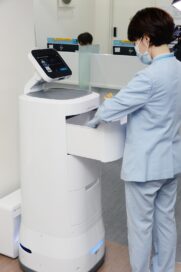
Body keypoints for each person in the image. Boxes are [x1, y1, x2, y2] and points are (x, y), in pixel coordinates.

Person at [88, 7, 181, 272]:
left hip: (145, 167)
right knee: (166, 221)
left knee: (140, 228)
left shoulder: (148, 77)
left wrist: (93, 117)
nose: (136, 48)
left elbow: (110, 109)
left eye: (136, 42)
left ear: (146, 39)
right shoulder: (178, 69)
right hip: (171, 162)